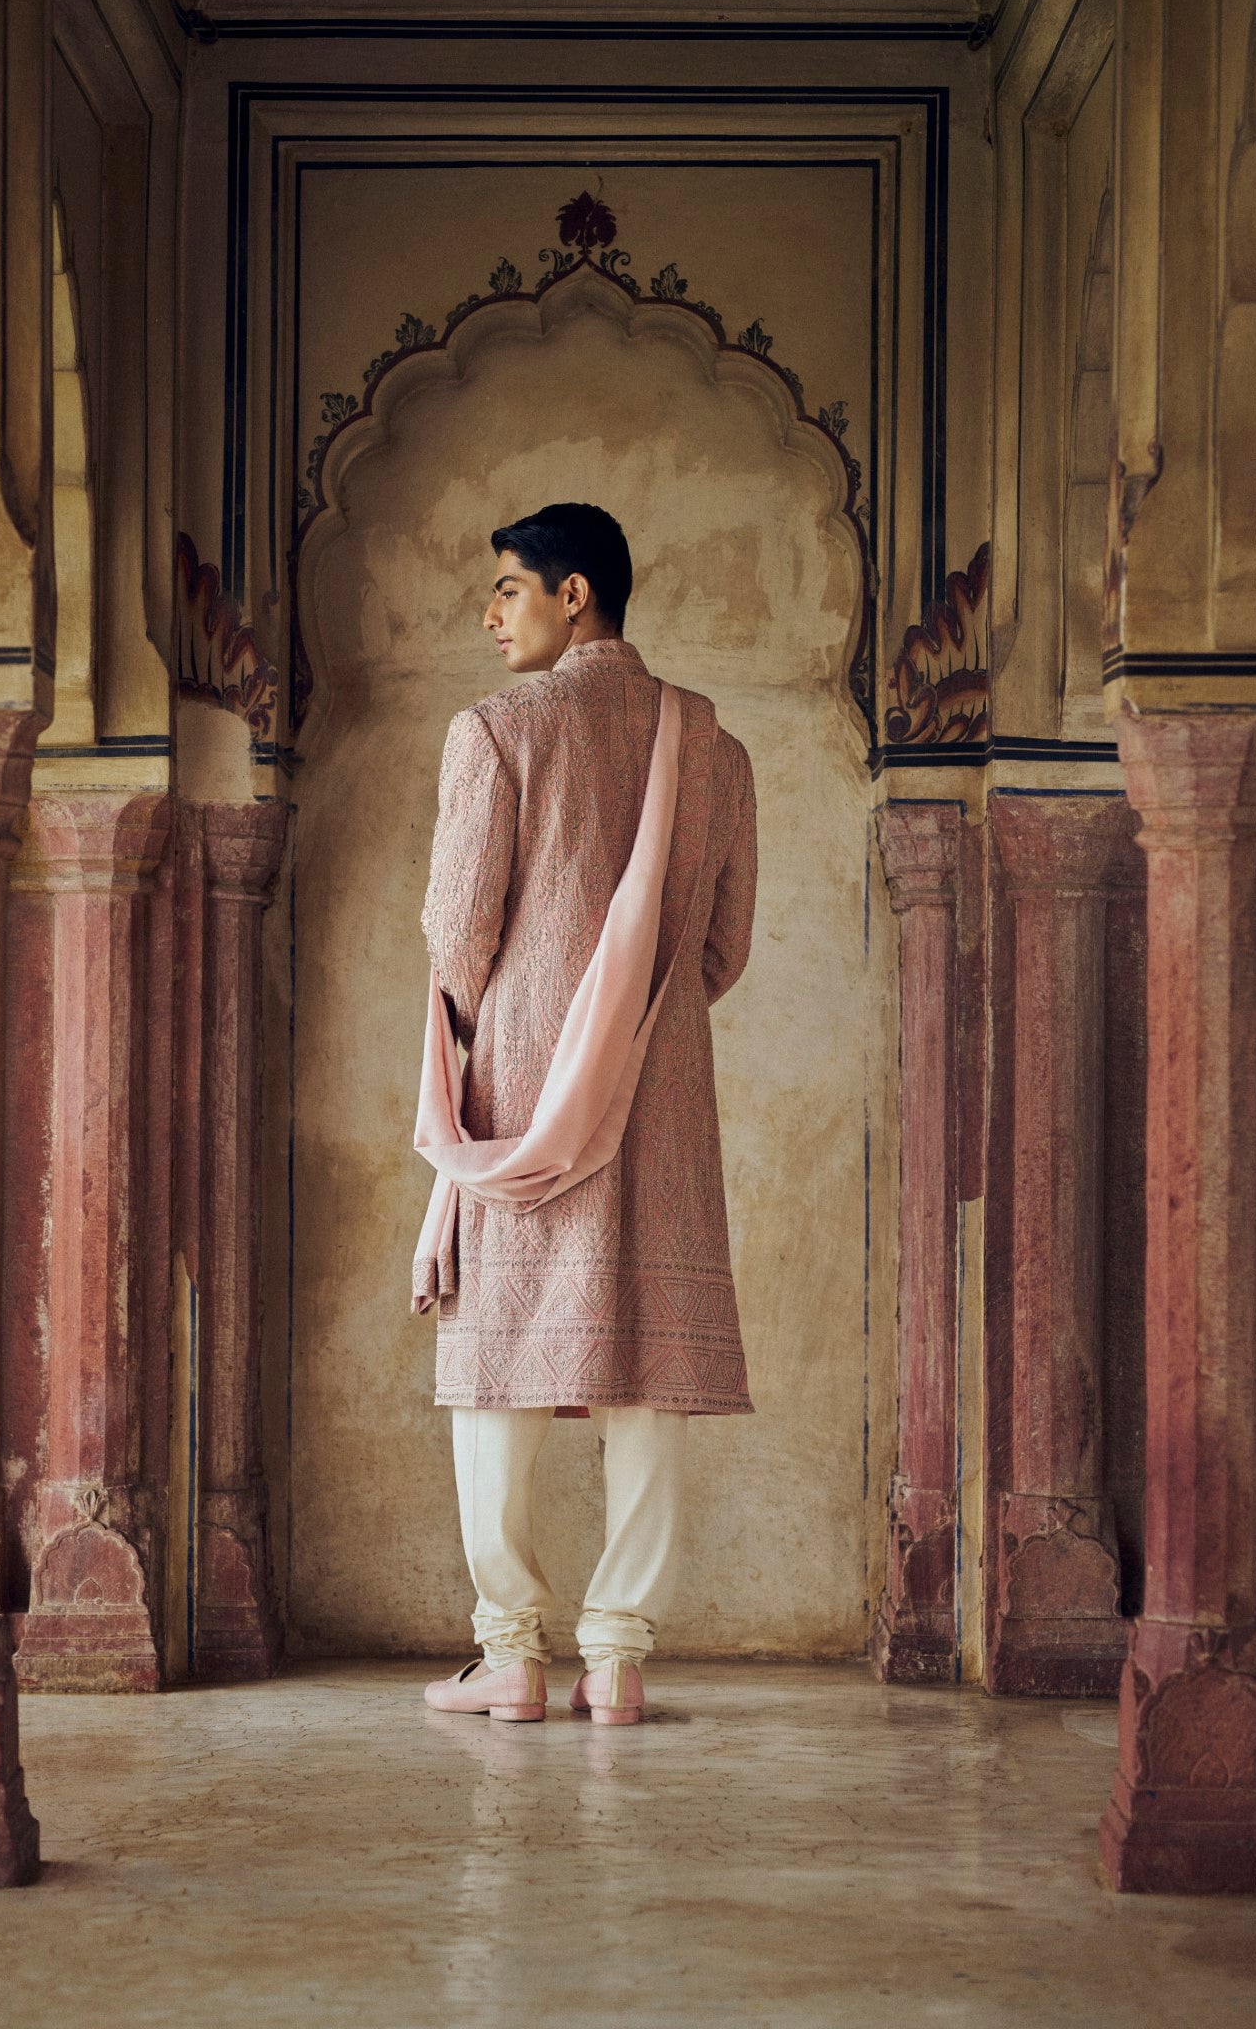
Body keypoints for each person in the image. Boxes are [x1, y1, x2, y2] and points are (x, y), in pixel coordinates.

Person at [416, 501, 757, 1727]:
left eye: (509, 588)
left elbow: (458, 936)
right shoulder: (711, 746)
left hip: (518, 1088)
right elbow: (723, 948)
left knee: (499, 1361)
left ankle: (511, 1656)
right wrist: (633, 1030)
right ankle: (615, 1661)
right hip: (661, 1088)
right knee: (644, 1363)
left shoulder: (499, 731)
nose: (491, 612)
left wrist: (516, 1017)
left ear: (575, 597)